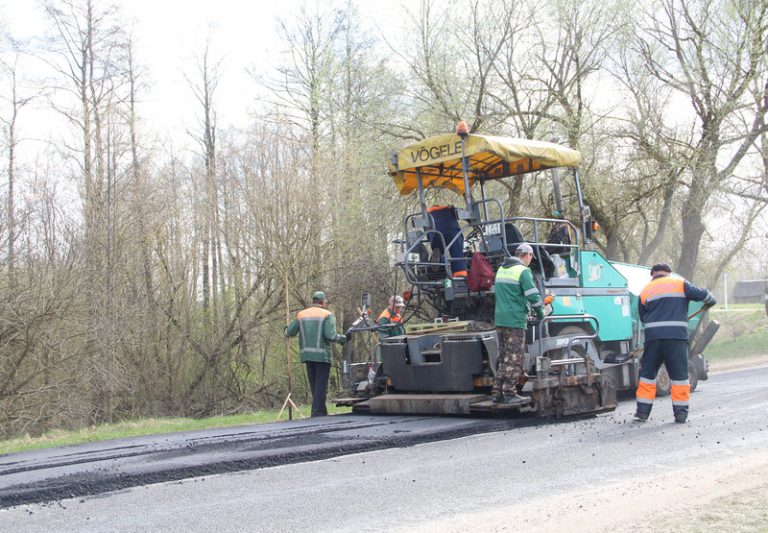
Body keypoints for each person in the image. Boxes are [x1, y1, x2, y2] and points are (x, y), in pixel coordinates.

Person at [634, 263, 716, 424]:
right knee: (679, 377)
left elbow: (643, 318)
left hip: (653, 340)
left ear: (653, 274)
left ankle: (642, 413)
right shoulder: (680, 284)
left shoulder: (645, 291)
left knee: (648, 376)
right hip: (676, 339)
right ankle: (680, 415)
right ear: (668, 273)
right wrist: (709, 302)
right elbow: (707, 296)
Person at [492, 243, 544, 404]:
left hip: (500, 319)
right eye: (531, 257)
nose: (530, 261)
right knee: (514, 358)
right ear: (527, 255)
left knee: (504, 358)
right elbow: (533, 296)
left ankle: (497, 393)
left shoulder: (501, 270)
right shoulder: (523, 271)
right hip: (515, 320)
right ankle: (509, 393)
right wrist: (542, 313)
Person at [285, 291, 346, 417]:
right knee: (321, 385)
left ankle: (322, 412)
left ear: (312, 301)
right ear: (323, 302)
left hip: (307, 355)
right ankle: (317, 413)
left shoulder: (301, 314)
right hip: (322, 355)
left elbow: (290, 332)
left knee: (315, 385)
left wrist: (285, 329)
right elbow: (330, 335)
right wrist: (343, 338)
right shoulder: (326, 314)